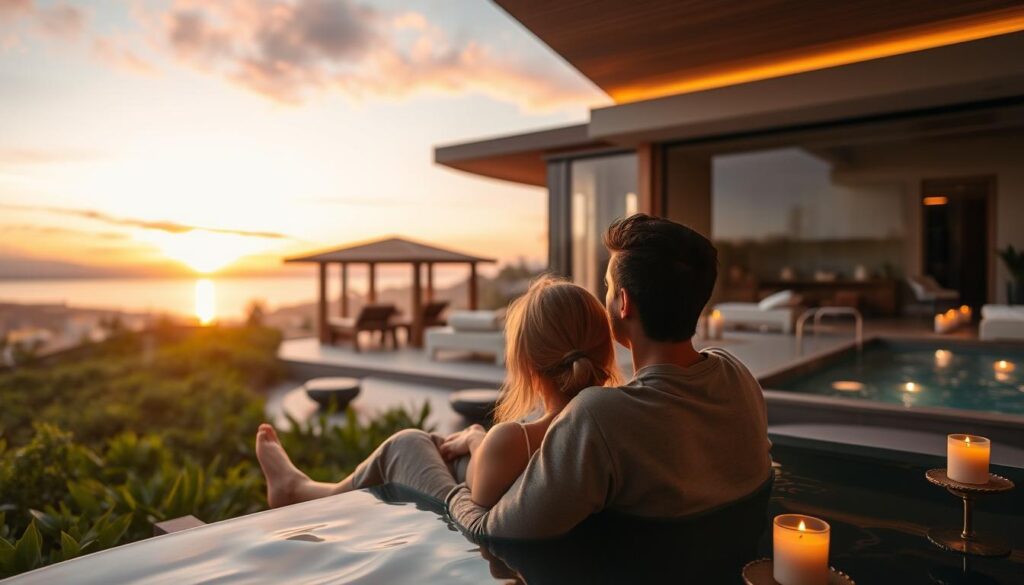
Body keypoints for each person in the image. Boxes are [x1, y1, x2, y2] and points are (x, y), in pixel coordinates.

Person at [446, 213, 773, 538]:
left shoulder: (600, 416)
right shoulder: (737, 374)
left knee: (420, 447)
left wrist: (455, 480)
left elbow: (494, 530)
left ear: (624, 303)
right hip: (734, 550)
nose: (605, 296)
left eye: (608, 286)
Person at [254, 276, 622, 510]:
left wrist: (477, 440)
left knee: (408, 445)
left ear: (528, 366)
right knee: (438, 446)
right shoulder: (619, 423)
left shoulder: (517, 439)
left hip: (472, 530)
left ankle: (302, 492)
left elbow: (479, 493)